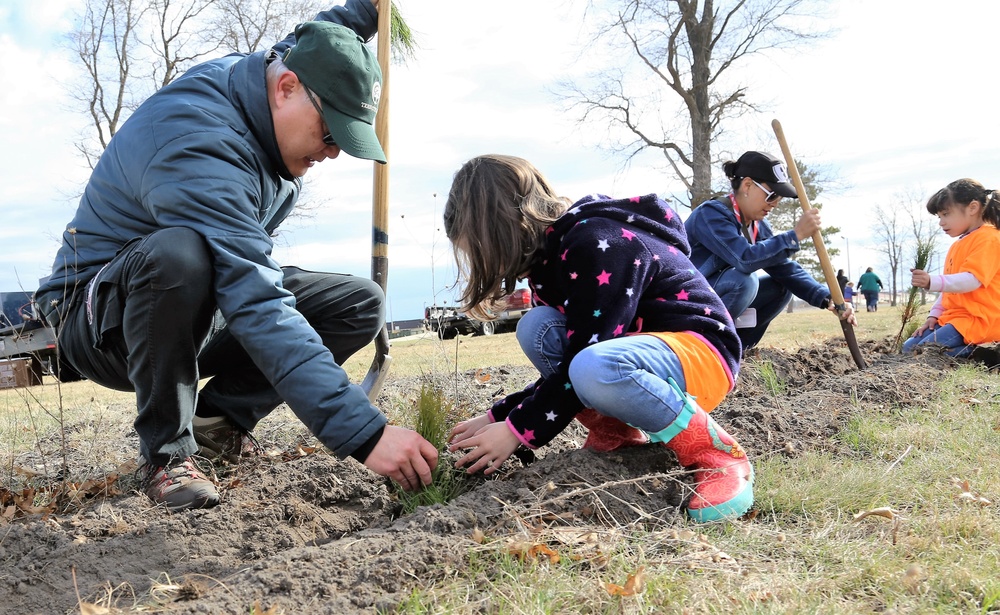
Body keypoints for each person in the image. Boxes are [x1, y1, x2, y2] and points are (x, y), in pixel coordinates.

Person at [34, 0, 438, 511]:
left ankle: (217, 421)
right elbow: (257, 302)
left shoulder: (279, 77)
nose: (333, 152)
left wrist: (367, 9)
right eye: (330, 131)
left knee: (359, 301)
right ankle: (167, 456)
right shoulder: (201, 144)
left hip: (195, 302)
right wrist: (363, 433)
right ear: (285, 88)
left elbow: (317, 39)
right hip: (101, 321)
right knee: (180, 255)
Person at [442, 154, 753, 523]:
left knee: (591, 366)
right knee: (538, 326)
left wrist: (516, 430)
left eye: (480, 252)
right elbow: (575, 356)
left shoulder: (597, 243)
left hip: (700, 354)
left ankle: (715, 455)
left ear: (501, 229)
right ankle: (617, 434)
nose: (485, 265)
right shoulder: (550, 263)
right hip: (640, 357)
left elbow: (587, 359)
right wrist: (499, 414)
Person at [684, 151, 856, 352]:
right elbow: (744, 259)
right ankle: (704, 345)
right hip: (687, 303)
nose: (775, 204)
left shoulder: (756, 226)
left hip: (714, 300)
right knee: (745, 281)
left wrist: (827, 298)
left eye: (780, 198)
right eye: (771, 194)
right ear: (747, 185)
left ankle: (738, 349)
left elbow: (785, 269)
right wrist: (795, 235)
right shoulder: (711, 214)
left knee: (782, 285)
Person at [903, 180, 1000, 357]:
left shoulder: (989, 239)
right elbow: (949, 290)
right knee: (909, 348)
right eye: (939, 216)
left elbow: (971, 280)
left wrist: (932, 281)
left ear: (972, 208)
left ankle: (986, 353)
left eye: (946, 214)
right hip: (956, 319)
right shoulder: (958, 244)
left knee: (927, 352)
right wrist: (934, 315)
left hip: (980, 319)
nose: (941, 222)